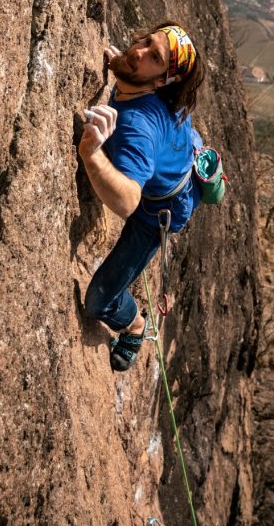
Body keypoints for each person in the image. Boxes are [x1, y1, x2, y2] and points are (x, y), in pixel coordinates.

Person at [78, 22, 205, 371]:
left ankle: (135, 325)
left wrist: (92, 154)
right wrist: (125, 67)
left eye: (154, 57)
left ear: (162, 81)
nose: (139, 51)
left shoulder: (137, 128)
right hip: (173, 163)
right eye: (146, 42)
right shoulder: (144, 83)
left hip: (158, 213)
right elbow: (134, 64)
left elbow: (129, 201)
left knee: (99, 301)